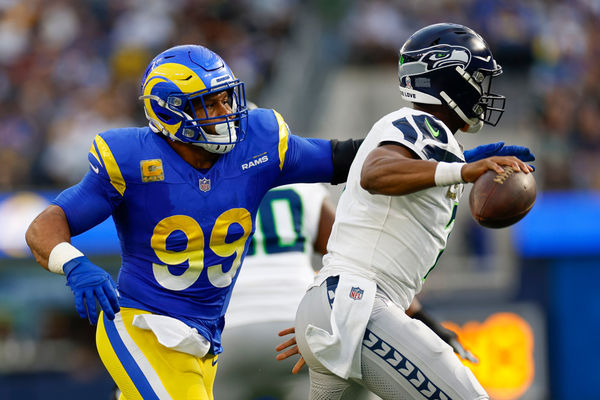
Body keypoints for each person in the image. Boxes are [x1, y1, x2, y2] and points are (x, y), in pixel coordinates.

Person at [24, 44, 363, 400]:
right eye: (209, 103)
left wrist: (404, 136)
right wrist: (74, 263)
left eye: (226, 98)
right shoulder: (130, 160)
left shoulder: (258, 145)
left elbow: (341, 157)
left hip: (205, 340)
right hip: (144, 326)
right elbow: (46, 225)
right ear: (169, 111)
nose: (226, 111)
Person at [277, 23, 534, 400]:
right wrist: (462, 170)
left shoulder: (430, 141)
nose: (483, 89)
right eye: (477, 78)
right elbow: (374, 173)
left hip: (340, 304)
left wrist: (457, 163)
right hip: (357, 304)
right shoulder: (420, 123)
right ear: (451, 77)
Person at [216, 183, 476, 400]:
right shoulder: (298, 182)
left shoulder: (202, 188)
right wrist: (426, 321)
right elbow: (356, 263)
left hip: (229, 333)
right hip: (302, 329)